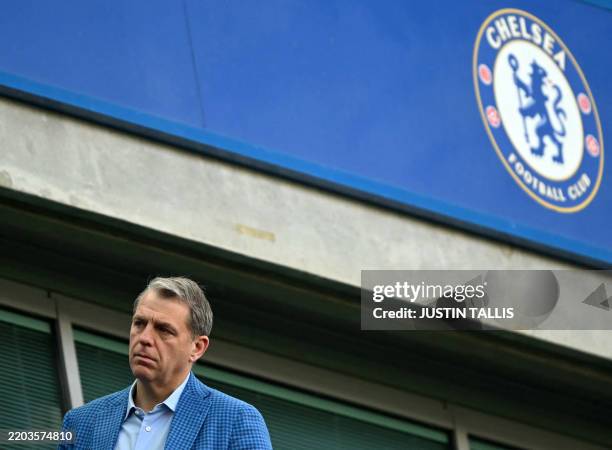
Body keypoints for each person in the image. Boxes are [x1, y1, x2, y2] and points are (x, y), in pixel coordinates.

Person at [58, 276, 272, 450]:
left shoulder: (236, 421)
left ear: (197, 347)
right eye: (139, 323)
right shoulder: (81, 423)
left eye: (164, 330)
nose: (145, 338)